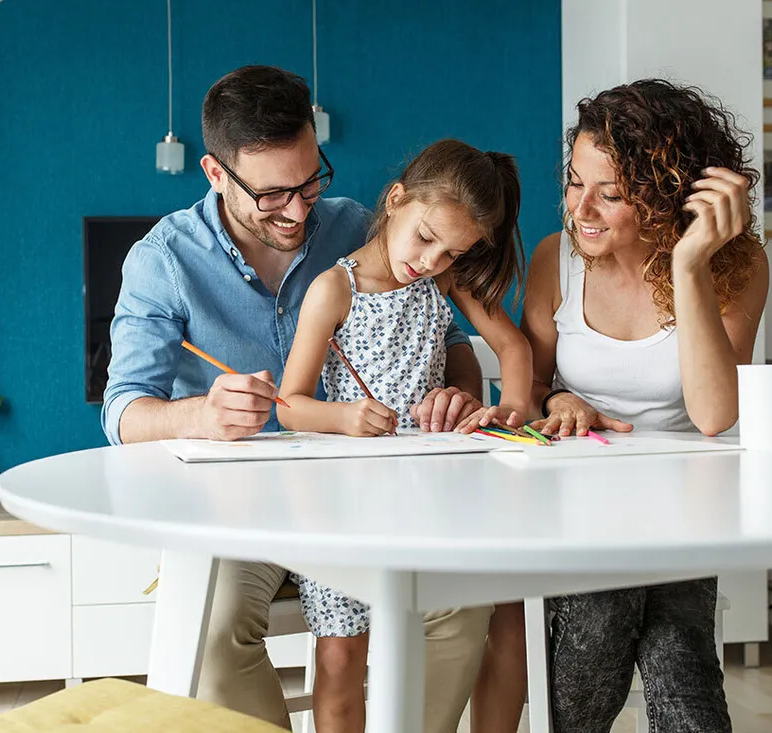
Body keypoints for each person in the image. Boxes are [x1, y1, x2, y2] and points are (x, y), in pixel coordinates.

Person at [100, 65, 493, 731]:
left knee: (464, 604)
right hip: (240, 505)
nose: (299, 207)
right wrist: (203, 412)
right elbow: (124, 411)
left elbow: (448, 332)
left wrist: (455, 391)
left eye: (312, 181)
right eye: (274, 192)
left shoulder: (359, 230)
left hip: (367, 498)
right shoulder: (163, 258)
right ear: (216, 173)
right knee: (214, 630)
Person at [474, 78, 769, 733]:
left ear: (668, 198)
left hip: (686, 512)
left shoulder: (734, 264)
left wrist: (690, 265)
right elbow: (530, 388)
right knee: (593, 644)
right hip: (580, 505)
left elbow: (715, 413)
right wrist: (562, 396)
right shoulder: (558, 260)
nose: (582, 208)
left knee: (682, 678)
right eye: (576, 182)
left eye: (610, 194)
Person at [276, 139, 533, 732]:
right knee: (340, 655)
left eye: (452, 253)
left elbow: (514, 347)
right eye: (425, 238)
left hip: (427, 504)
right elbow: (291, 406)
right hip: (340, 508)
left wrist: (512, 410)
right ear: (396, 200)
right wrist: (344, 418)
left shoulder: (442, 284)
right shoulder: (334, 290)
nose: (433, 261)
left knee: (436, 636)